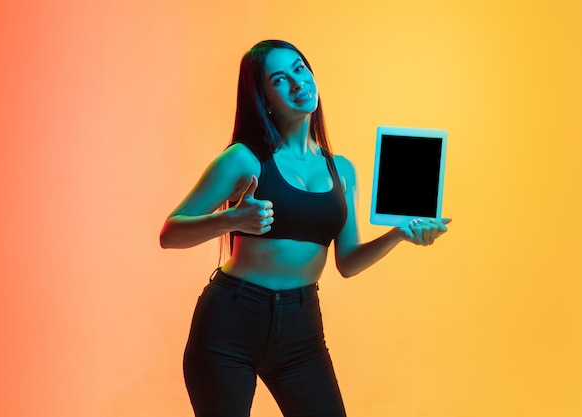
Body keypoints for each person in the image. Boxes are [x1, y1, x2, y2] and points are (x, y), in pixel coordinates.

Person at [159, 39, 450, 417]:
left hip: (301, 330)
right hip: (230, 322)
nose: (298, 83)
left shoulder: (341, 170)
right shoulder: (244, 159)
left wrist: (399, 234)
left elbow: (348, 262)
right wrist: (229, 219)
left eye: (300, 68)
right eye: (279, 79)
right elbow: (170, 233)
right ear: (263, 98)